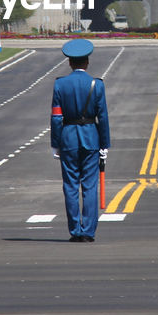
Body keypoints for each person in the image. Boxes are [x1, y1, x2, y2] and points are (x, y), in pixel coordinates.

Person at [50, 38, 111, 243]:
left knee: (70, 186)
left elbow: (57, 117)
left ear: (70, 63)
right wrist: (104, 145)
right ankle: (88, 231)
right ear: (87, 63)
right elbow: (102, 117)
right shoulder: (97, 84)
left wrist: (56, 143)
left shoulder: (60, 84)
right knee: (90, 186)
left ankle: (75, 230)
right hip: (91, 138)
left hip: (68, 138)